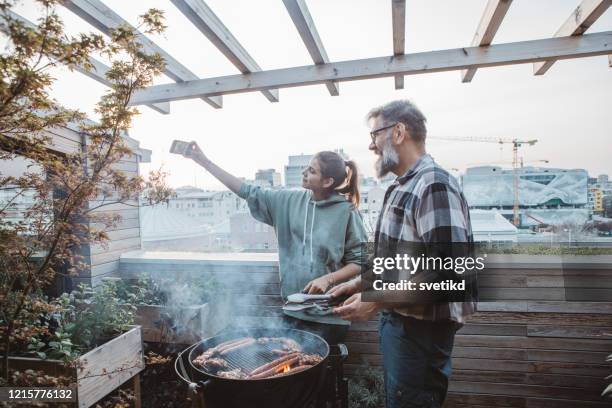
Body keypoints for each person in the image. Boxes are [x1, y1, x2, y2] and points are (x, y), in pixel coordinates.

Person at [330, 100, 475, 408]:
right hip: (400, 325)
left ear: (398, 132)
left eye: (375, 135)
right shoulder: (403, 186)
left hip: (420, 334)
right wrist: (359, 284)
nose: (371, 146)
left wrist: (376, 299)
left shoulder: (434, 184)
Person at [184, 144, 367, 344]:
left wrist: (327, 279)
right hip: (293, 309)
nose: (304, 173)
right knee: (290, 367)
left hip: (331, 314)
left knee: (325, 372)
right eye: (307, 167)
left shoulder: (346, 212)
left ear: (327, 181)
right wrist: (204, 162)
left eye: (312, 171)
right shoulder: (287, 200)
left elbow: (360, 262)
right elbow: (247, 190)